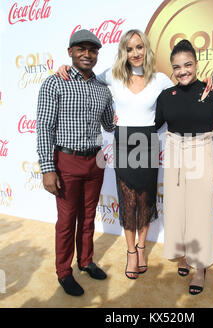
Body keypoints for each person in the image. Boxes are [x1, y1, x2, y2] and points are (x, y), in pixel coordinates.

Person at [57, 29, 173, 280]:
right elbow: (84, 77)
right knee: (128, 200)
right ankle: (131, 252)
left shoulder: (160, 79)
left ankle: (142, 247)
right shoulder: (112, 75)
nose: (135, 53)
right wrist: (63, 68)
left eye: (139, 47)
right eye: (129, 49)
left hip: (148, 141)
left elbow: (181, 96)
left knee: (146, 200)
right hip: (123, 141)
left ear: (146, 49)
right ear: (123, 52)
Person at [37, 29, 116, 296]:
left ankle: (85, 261)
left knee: (88, 217)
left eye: (92, 50)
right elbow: (44, 128)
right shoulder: (54, 83)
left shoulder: (102, 89)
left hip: (95, 161)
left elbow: (108, 124)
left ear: (97, 55)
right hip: (66, 161)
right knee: (67, 220)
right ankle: (64, 271)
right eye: (81, 49)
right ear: (70, 52)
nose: (87, 54)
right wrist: (48, 169)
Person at [155, 40, 213, 295]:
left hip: (201, 151)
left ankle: (199, 268)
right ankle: (182, 254)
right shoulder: (166, 96)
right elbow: (153, 125)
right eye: (177, 67)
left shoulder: (210, 91)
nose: (183, 71)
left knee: (200, 210)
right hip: (174, 152)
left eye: (188, 65)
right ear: (172, 69)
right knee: (176, 208)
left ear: (196, 64)